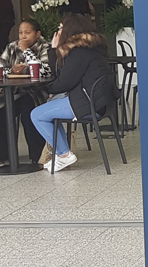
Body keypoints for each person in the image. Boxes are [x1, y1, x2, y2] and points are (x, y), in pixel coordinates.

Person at [31, 14, 111, 172]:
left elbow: (64, 81)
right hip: (100, 101)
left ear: (69, 29)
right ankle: (60, 154)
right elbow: (64, 78)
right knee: (50, 108)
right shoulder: (92, 47)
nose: (58, 31)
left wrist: (48, 89)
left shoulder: (79, 51)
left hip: (88, 103)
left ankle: (63, 154)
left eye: (61, 27)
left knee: (36, 115)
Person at [0, 18, 50, 164]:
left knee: (29, 110)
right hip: (13, 91)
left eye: (27, 33)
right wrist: (11, 70)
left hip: (36, 91)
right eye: (21, 32)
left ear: (38, 34)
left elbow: (45, 72)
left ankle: (37, 155)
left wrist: (26, 51)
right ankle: (2, 155)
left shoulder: (45, 47)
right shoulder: (11, 47)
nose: (23, 36)